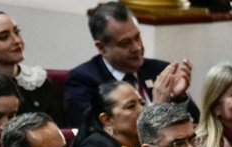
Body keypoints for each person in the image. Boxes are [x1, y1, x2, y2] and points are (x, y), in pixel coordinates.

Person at [62, 2, 195, 129]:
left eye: (137, 37)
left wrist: (178, 98)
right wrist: (158, 108)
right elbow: (97, 133)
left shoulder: (159, 70)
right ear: (101, 47)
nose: (137, 48)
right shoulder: (83, 82)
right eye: (125, 43)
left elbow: (196, 124)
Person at [0, 11, 61, 121]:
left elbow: (57, 126)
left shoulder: (36, 80)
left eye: (17, 32)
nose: (17, 41)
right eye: (4, 37)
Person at [72, 81, 144, 147]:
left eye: (142, 103)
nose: (142, 110)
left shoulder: (150, 143)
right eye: (131, 106)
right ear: (107, 120)